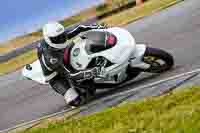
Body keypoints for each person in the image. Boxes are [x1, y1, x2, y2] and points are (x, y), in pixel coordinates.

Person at [37, 22, 104, 107]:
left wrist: (98, 27)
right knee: (75, 101)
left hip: (64, 57)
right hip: (56, 75)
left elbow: (80, 28)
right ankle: (77, 88)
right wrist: (90, 72)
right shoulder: (51, 57)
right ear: (48, 39)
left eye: (62, 36)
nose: (61, 40)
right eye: (57, 39)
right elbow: (70, 74)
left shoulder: (61, 35)